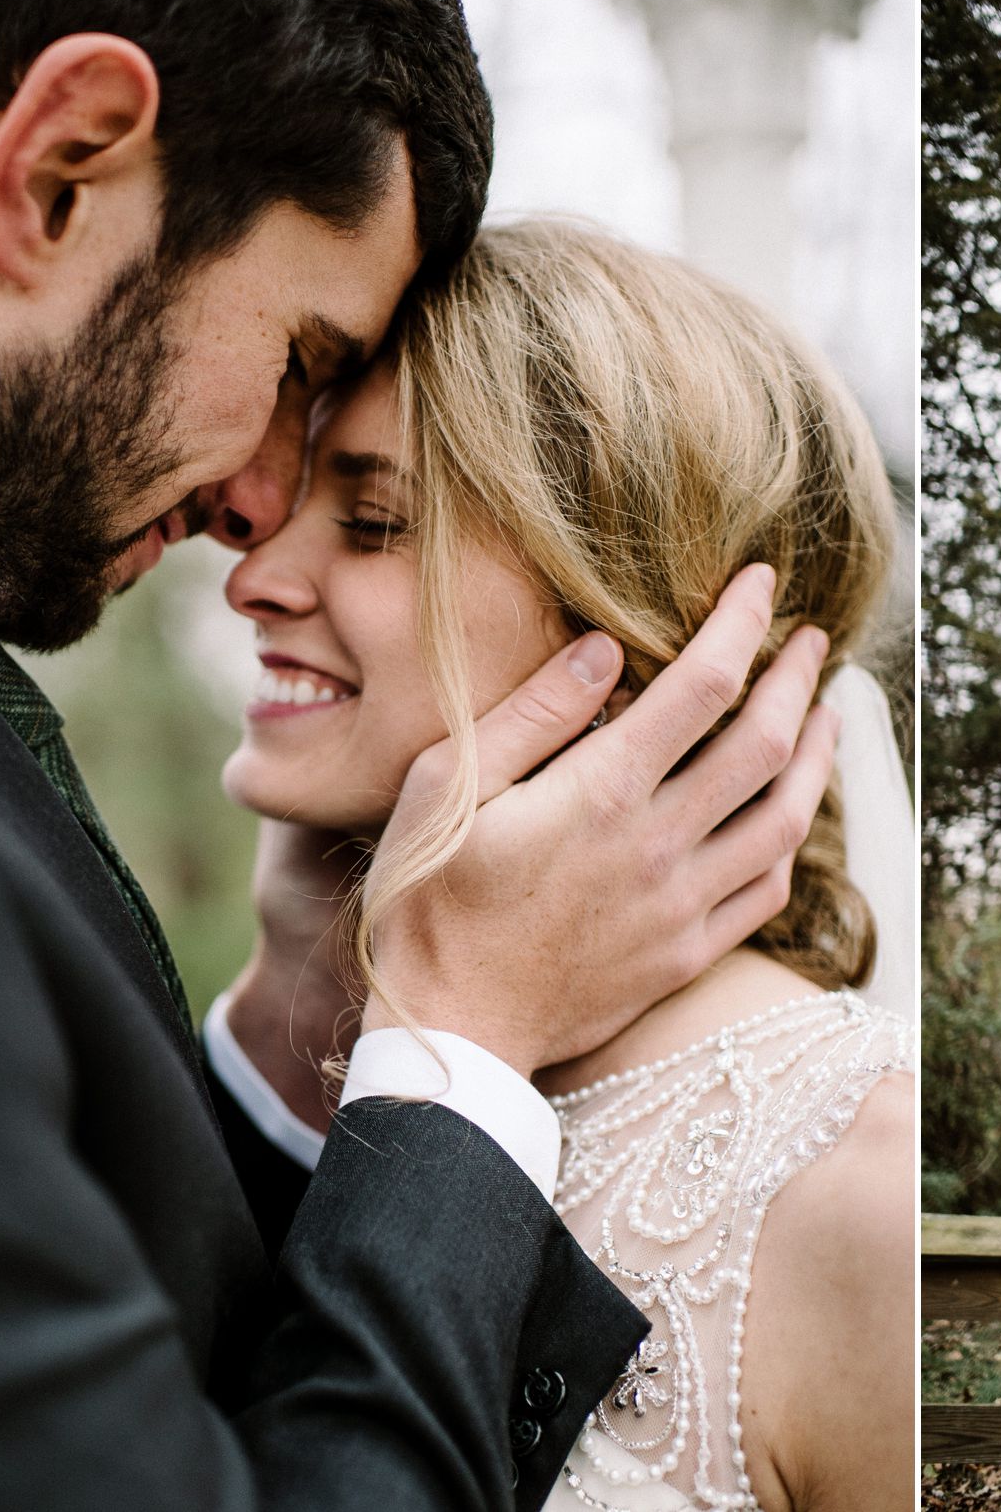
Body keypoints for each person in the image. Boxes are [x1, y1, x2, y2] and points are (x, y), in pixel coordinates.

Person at [0, 0, 839, 1508]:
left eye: (379, 514)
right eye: (294, 355)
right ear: (63, 166)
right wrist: (456, 1033)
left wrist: (296, 1040)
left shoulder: (841, 1158)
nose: (254, 517)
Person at [212, 220, 916, 1511]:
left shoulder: (860, 1187)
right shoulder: (291, 1053)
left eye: (372, 520)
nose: (253, 577)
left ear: (642, 611)